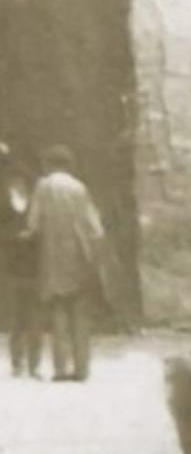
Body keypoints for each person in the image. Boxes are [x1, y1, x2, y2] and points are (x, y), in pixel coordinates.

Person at [27, 146, 105, 383]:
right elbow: (95, 227)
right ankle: (82, 368)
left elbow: (33, 223)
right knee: (79, 313)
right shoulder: (79, 188)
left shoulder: (44, 186)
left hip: (52, 255)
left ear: (49, 164)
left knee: (58, 309)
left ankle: (61, 368)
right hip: (78, 256)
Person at [0, 146, 41, 377]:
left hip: (29, 262)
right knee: (18, 314)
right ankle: (19, 362)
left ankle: (31, 363)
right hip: (15, 262)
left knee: (30, 314)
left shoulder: (31, 192)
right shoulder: (7, 198)